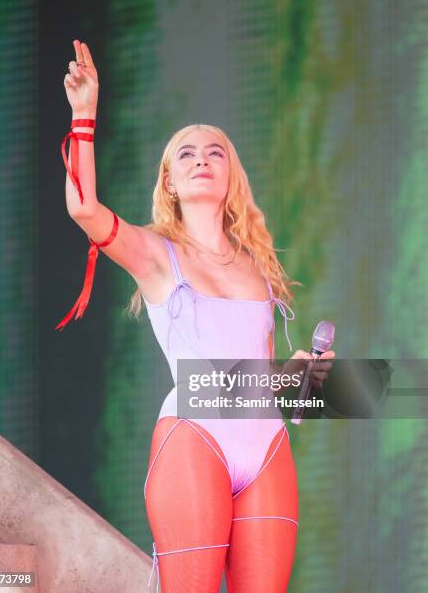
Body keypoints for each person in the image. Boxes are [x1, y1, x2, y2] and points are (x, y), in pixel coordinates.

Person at [60, 39, 335, 592]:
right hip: (194, 439)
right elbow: (85, 209)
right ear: (170, 181)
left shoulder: (258, 265)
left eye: (216, 153)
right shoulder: (156, 255)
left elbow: (262, 385)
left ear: (231, 175)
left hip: (267, 448)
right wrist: (84, 115)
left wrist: (304, 381)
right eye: (187, 153)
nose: (202, 159)